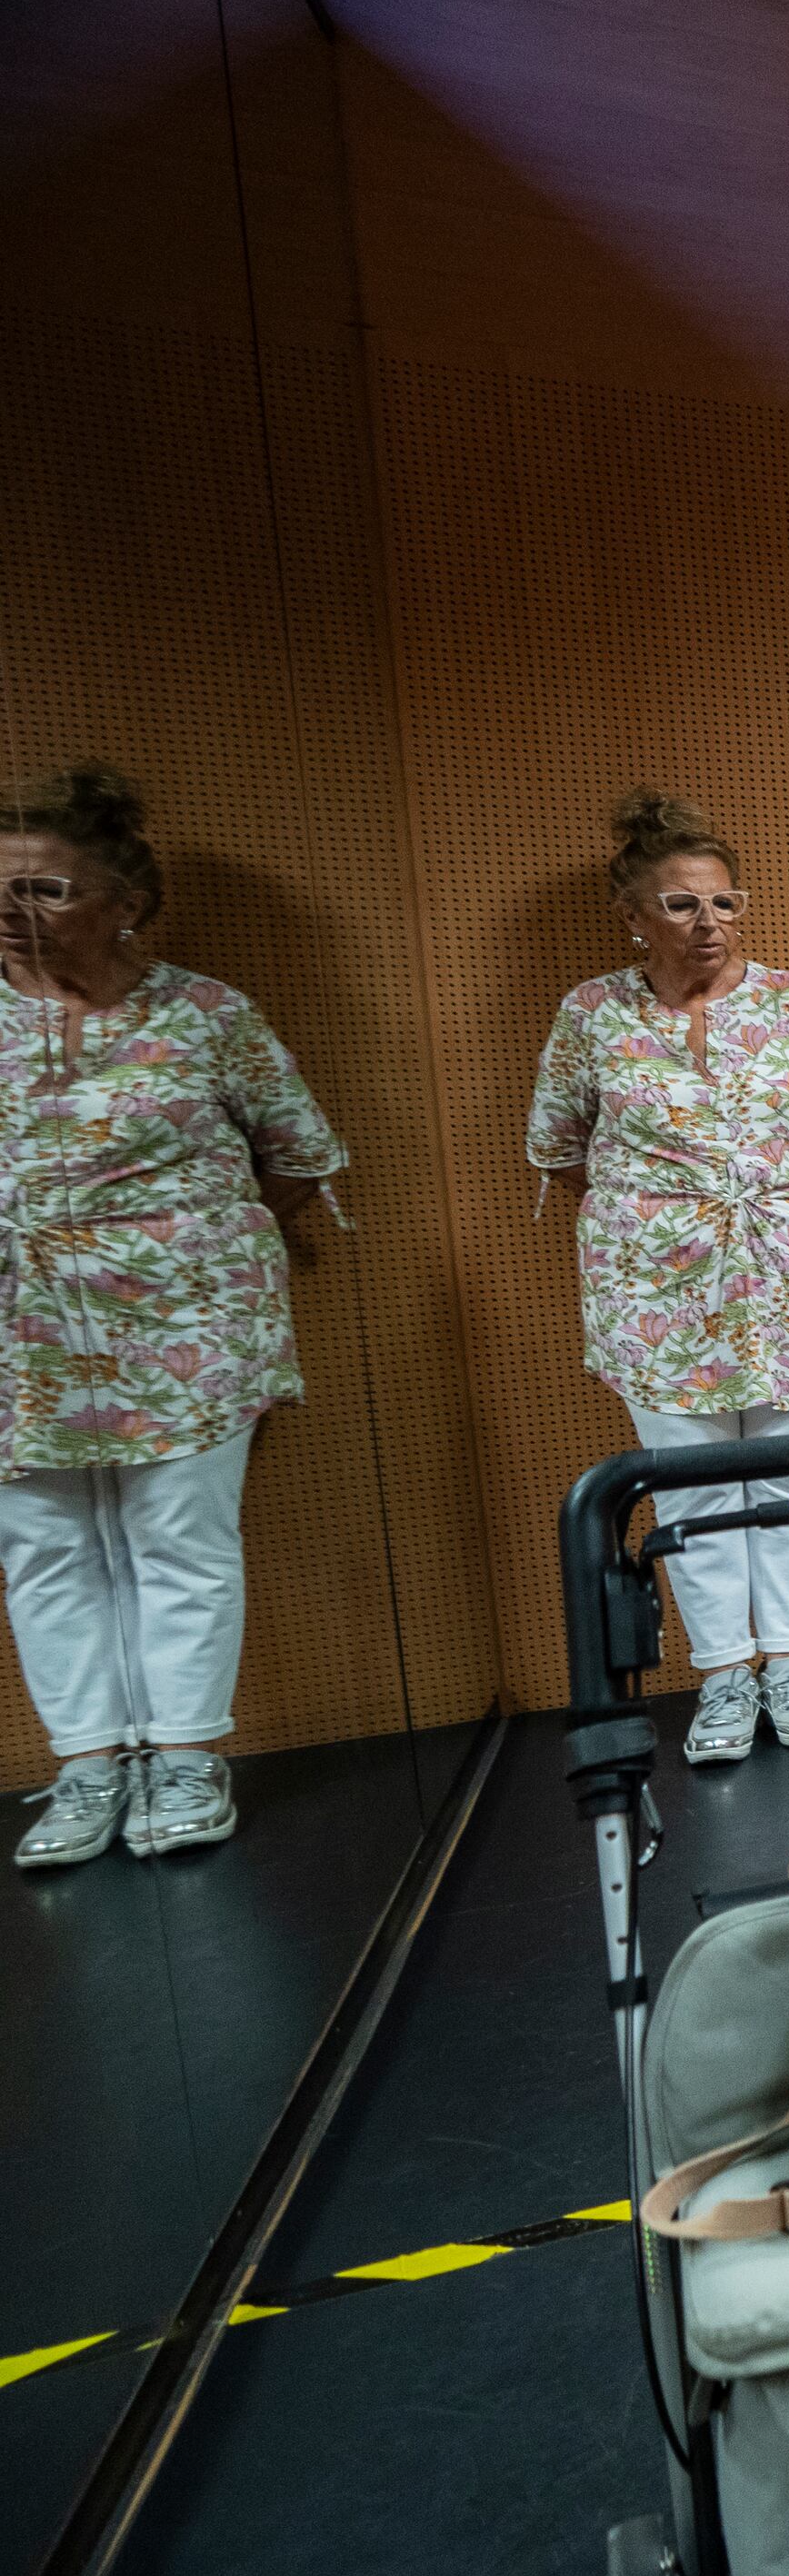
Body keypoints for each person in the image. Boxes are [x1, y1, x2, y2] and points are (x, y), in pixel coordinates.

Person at [0, 770, 345, 1868]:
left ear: (121, 903)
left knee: (177, 1538)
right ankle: (88, 1764)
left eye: (46, 889)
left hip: (188, 1329)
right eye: (3, 890)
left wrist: (185, 1248)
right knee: (45, 1545)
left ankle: (188, 1755)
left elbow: (300, 1150)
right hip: (19, 1331)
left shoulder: (206, 1012)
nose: (17, 912)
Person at [526, 791, 789, 1767]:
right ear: (634, 916)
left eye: (726, 903)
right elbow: (559, 1147)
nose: (710, 925)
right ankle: (724, 1674)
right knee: (687, 1482)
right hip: (656, 1288)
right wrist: (657, 1225)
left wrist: (783, 1207)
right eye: (683, 906)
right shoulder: (591, 1013)